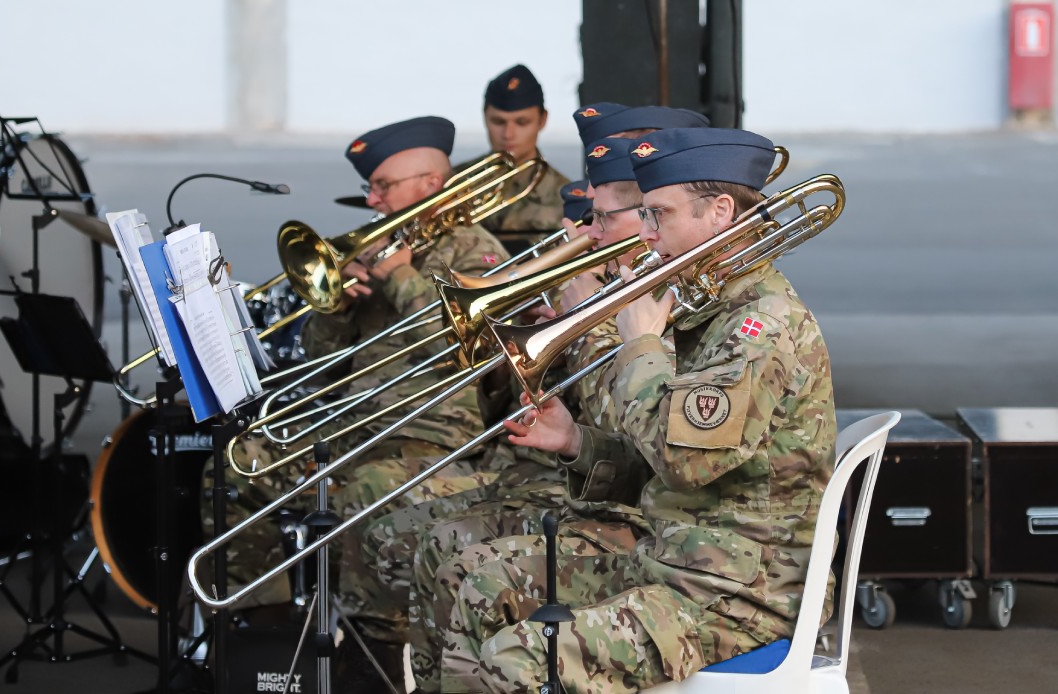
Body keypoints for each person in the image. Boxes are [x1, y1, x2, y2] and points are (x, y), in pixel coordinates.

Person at [440, 127, 837, 692]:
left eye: (659, 216)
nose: (647, 236)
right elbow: (668, 467)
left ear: (721, 212)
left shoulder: (760, 326)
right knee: (485, 590)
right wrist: (577, 442)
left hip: (738, 593)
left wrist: (639, 348)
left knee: (520, 657)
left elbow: (684, 464)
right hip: (675, 559)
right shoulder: (712, 302)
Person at [201, 116, 510, 691]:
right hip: (352, 426)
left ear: (430, 181)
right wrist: (334, 310)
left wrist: (401, 278)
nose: (371, 199)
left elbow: (468, 349)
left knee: (370, 488)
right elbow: (320, 367)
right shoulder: (377, 244)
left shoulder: (477, 250)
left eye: (383, 187)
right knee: (238, 463)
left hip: (430, 437)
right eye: (371, 188)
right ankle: (254, 638)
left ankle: (366, 664)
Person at [471, 64, 570, 247]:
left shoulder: (567, 197)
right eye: (498, 121)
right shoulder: (454, 185)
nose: (508, 134)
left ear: (542, 120)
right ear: (485, 117)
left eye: (522, 122)